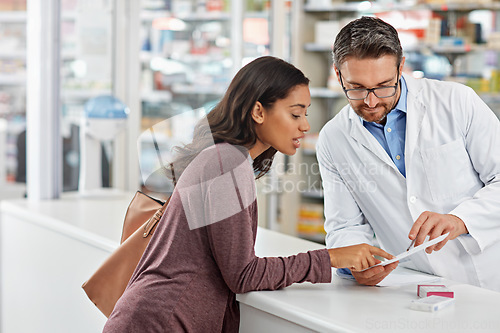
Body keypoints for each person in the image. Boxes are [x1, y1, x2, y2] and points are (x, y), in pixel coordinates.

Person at [103, 56, 393, 332]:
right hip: (161, 322)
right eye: (295, 113)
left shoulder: (225, 159)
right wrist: (329, 258)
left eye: (305, 113)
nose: (305, 125)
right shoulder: (226, 163)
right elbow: (243, 274)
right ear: (258, 111)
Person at [317, 16, 500, 291]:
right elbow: (344, 227)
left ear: (401, 67)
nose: (371, 100)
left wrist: (461, 219)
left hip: (490, 275)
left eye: (383, 85)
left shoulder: (456, 102)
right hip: (415, 284)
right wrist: (354, 264)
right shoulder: (333, 138)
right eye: (356, 88)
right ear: (338, 74)